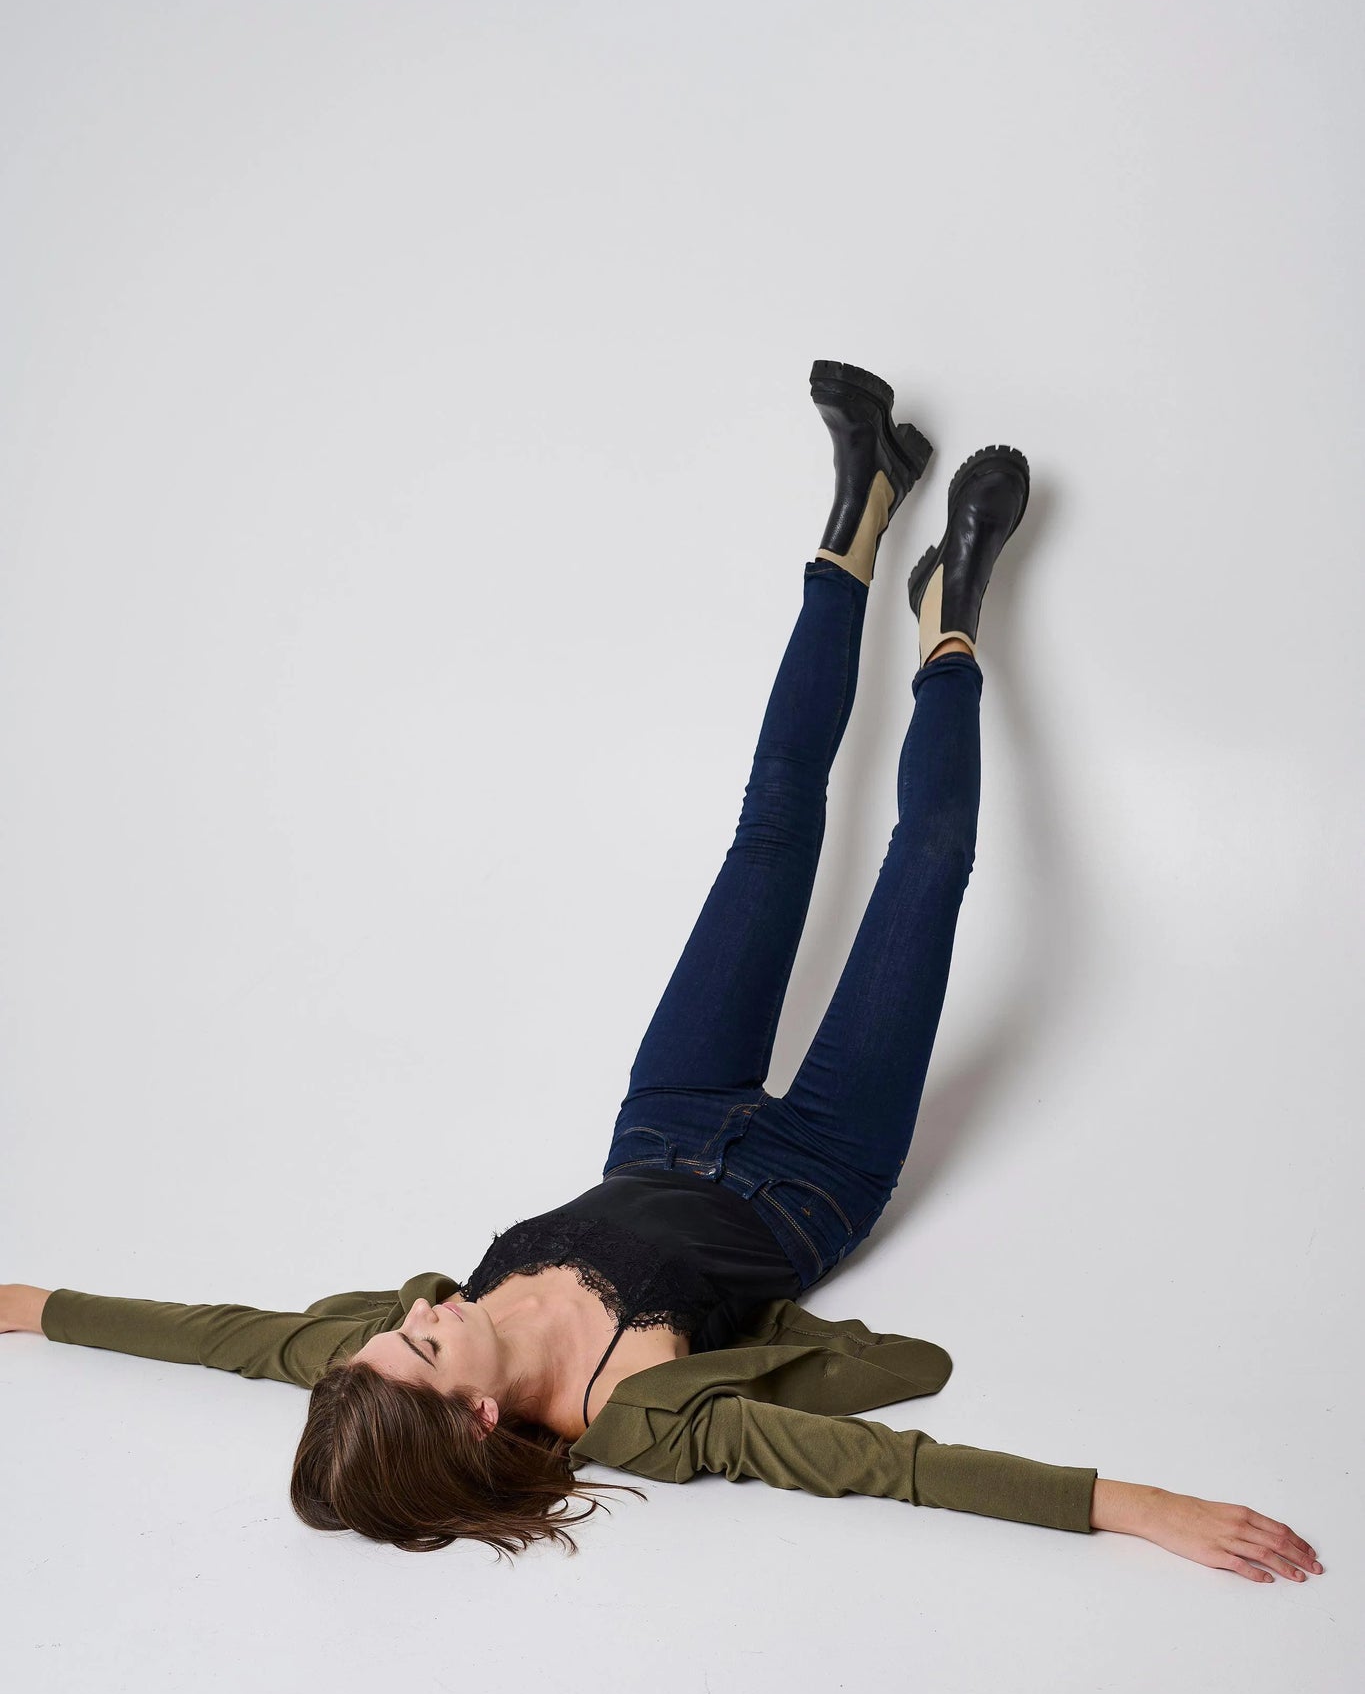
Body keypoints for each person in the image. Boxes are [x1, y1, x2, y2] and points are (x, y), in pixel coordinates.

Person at [2, 361, 1323, 1589]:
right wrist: (1130, 1506)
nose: (415, 1307)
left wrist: (28, 1307)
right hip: (821, 1171)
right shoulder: (640, 1420)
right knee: (925, 866)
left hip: (667, 1119)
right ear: (477, 1413)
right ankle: (952, 623)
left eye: (389, 1329)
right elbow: (881, 1469)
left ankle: (858, 512)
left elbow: (217, 1336)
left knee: (772, 825)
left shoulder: (373, 1361)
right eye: (421, 1339)